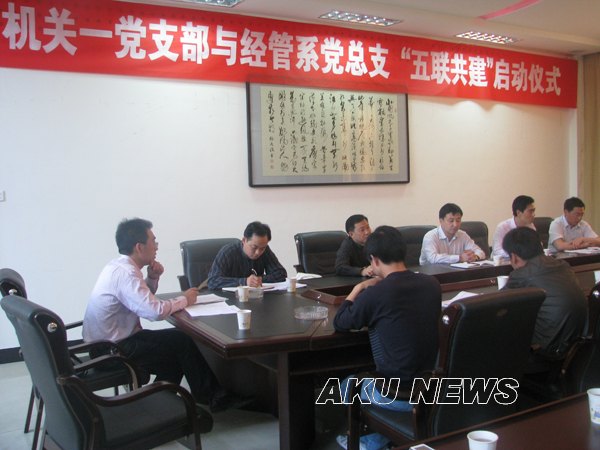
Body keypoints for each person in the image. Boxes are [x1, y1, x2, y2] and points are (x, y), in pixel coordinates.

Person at [82, 218, 240, 412]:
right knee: (181, 345)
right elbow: (154, 311)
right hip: (112, 350)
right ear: (139, 247)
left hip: (108, 343)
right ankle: (209, 397)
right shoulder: (126, 274)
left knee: (178, 344)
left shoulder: (119, 267)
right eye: (153, 241)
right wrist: (185, 299)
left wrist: (152, 277)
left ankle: (166, 403)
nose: (156, 246)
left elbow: (139, 301)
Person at [334, 226, 441, 450]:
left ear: (374, 260)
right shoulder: (432, 284)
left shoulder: (376, 293)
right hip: (432, 389)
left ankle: (369, 443)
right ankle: (381, 437)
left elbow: (341, 321)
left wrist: (359, 287)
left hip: (398, 395)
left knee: (346, 385)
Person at [502, 227, 587, 364]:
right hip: (577, 348)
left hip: (548, 353)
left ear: (514, 257)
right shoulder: (563, 265)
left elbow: (496, 303)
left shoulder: (522, 274)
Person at [207, 221, 287, 289]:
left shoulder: (265, 250)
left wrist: (258, 280)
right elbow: (212, 281)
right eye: (254, 247)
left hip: (256, 298)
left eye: (262, 248)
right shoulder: (228, 252)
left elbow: (281, 274)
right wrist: (244, 282)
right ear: (244, 240)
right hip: (230, 299)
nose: (258, 252)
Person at [419, 203, 486, 265]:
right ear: (441, 221)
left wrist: (475, 257)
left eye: (458, 220)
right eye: (451, 221)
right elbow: (433, 258)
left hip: (454, 271)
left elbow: (480, 252)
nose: (455, 224)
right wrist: (459, 258)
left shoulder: (462, 235)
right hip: (431, 272)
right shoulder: (430, 236)